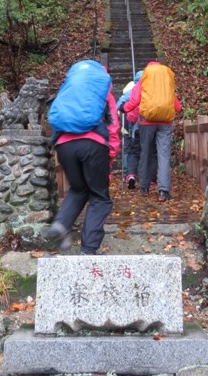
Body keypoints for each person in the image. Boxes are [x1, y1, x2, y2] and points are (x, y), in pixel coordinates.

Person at [44, 62, 120, 255]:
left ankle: (61, 225)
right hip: (92, 146)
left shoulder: (69, 91)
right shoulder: (103, 93)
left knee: (78, 189)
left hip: (64, 145)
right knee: (100, 197)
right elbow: (113, 127)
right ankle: (89, 248)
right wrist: (110, 154)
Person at [123, 60, 181, 201]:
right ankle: (163, 191)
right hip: (165, 122)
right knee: (164, 155)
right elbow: (177, 106)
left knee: (145, 153)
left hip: (147, 121)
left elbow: (135, 98)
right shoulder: (166, 79)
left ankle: (144, 187)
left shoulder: (146, 77)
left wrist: (125, 108)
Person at [117, 70, 156, 190]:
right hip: (149, 124)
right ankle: (151, 178)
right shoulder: (153, 90)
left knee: (134, 151)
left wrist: (122, 109)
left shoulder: (132, 90)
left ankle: (131, 175)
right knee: (151, 151)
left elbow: (120, 104)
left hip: (134, 126)